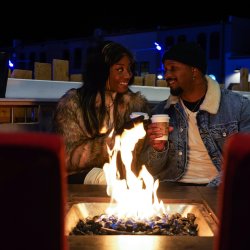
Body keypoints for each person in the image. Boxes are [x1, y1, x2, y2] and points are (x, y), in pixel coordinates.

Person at [140, 42, 250, 187]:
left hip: (219, 187)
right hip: (171, 188)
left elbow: (245, 162)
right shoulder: (161, 112)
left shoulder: (238, 107)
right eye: (166, 70)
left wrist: (213, 188)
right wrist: (158, 149)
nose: (167, 75)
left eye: (173, 69)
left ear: (194, 71)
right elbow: (150, 169)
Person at [53, 41, 150, 184]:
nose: (128, 75)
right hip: (81, 176)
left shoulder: (135, 105)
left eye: (129, 69)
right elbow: (68, 158)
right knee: (109, 181)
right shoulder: (73, 104)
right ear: (102, 71)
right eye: (120, 69)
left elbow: (143, 155)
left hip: (123, 175)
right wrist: (117, 139)